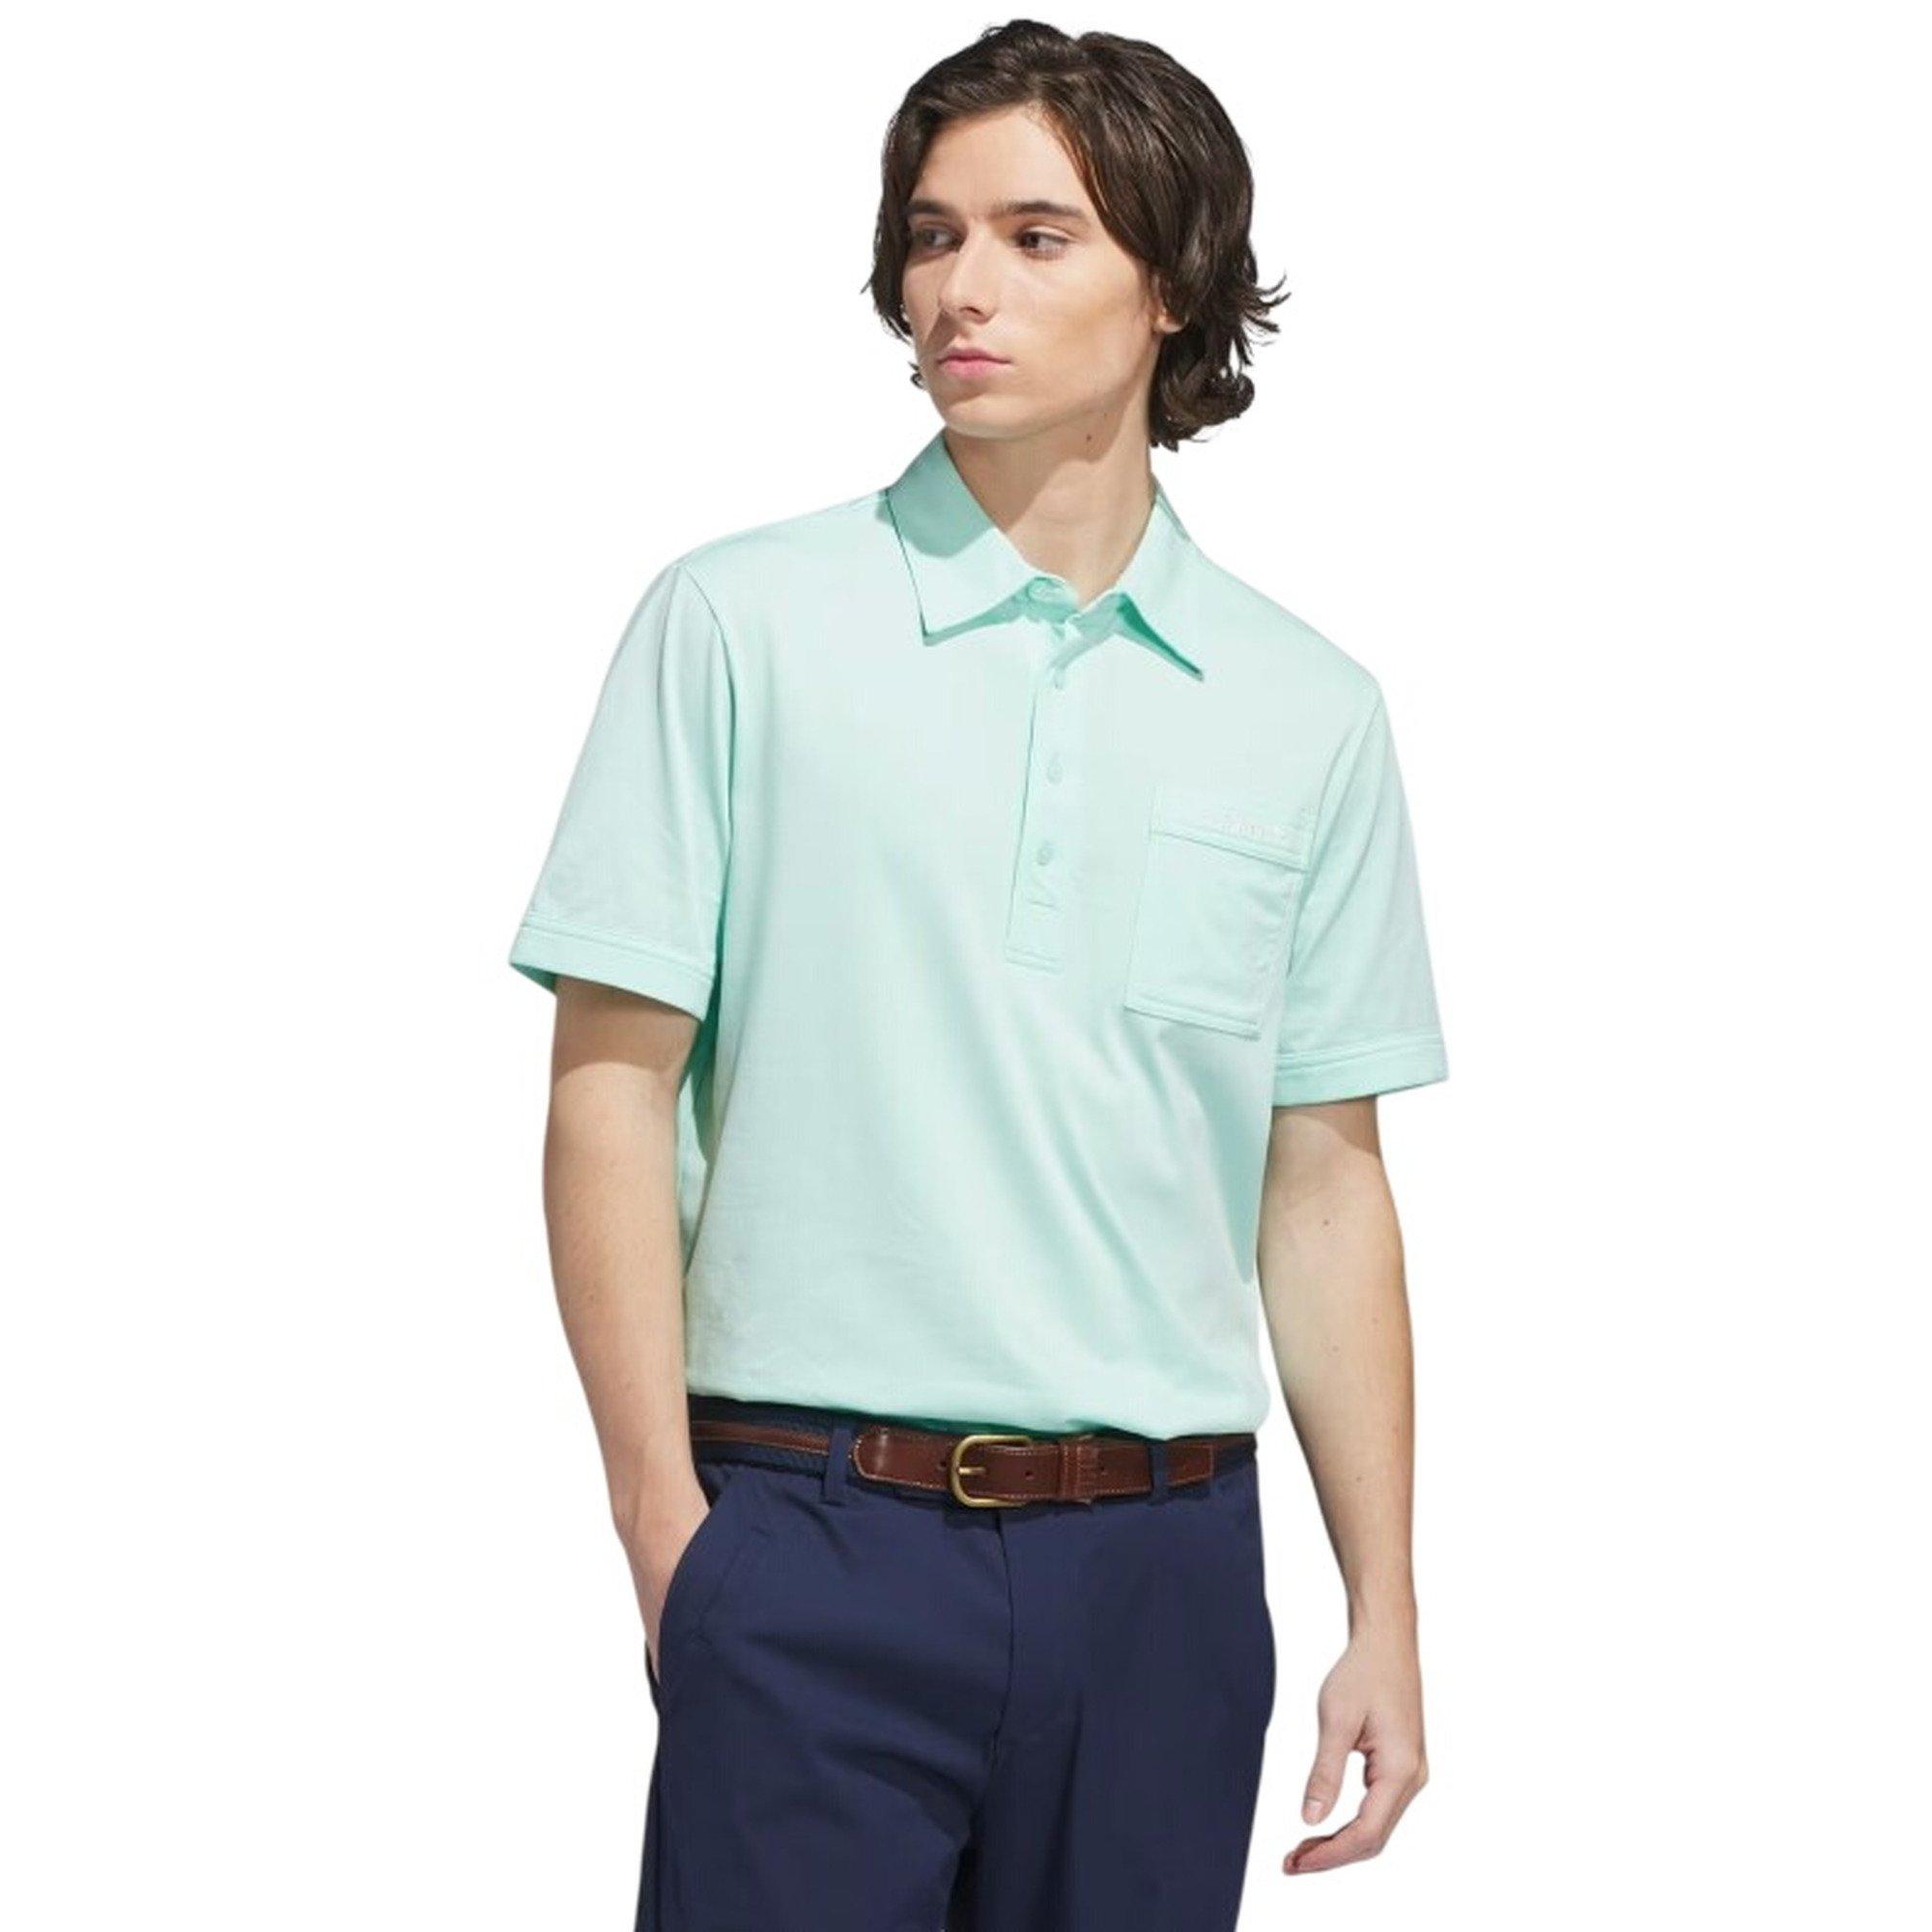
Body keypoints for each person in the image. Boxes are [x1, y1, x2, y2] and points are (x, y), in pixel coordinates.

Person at [507, 20, 1446, 1928]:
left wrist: (1386, 1607)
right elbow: (608, 1089)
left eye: (1034, 236)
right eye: (932, 236)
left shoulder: (1308, 709)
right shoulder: (737, 624)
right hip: (808, 1538)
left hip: (1170, 1575)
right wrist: (667, 1533)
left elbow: (1322, 1181)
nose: (958, 288)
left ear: (1171, 284)